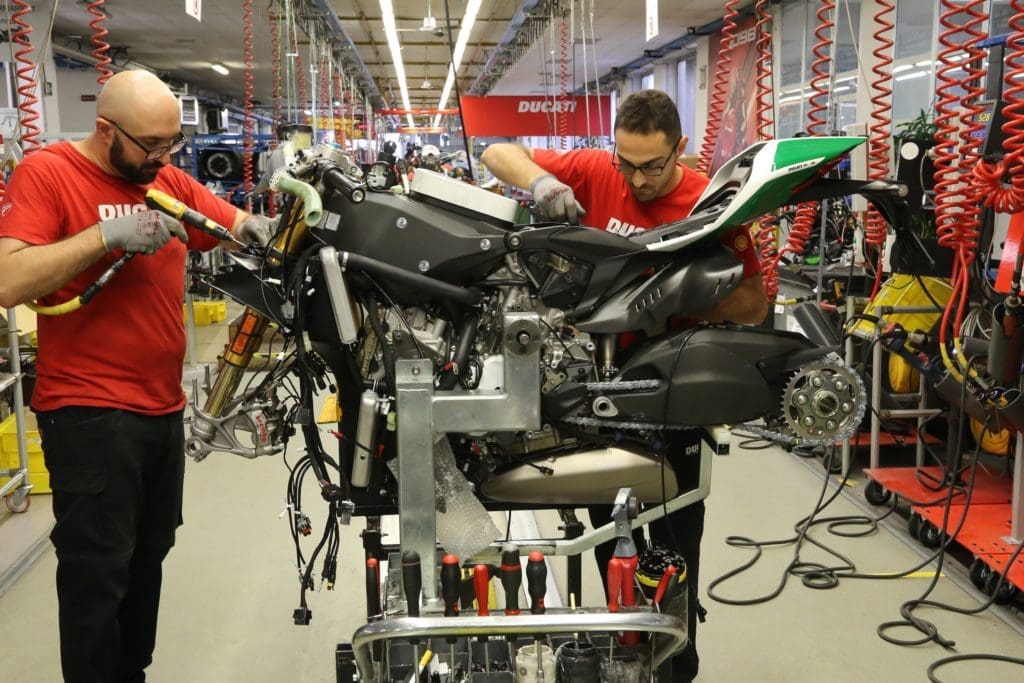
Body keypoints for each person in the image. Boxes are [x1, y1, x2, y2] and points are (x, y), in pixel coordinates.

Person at [481, 89, 768, 682]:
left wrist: (682, 284)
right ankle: (616, 657)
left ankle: (673, 666)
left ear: (680, 150)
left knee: (670, 559)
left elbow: (753, 308)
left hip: (671, 399)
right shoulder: (594, 169)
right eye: (626, 163)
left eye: (651, 166)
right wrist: (540, 183)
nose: (636, 179)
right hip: (596, 393)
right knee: (610, 540)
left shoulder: (715, 204)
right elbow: (497, 151)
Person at [0, 70, 273, 683]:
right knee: (99, 569)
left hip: (159, 407)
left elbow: (224, 222)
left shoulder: (162, 177)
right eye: (152, 144)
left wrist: (252, 228)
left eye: (171, 143)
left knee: (149, 556)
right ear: (106, 130)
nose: (163, 157)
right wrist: (105, 235)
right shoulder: (47, 174)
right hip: (89, 412)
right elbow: (8, 280)